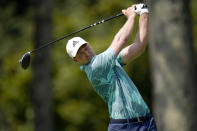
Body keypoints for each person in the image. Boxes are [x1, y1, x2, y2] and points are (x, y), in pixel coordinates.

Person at [66, 4, 157, 131]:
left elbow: (139, 46)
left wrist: (143, 13)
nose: (86, 53)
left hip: (147, 123)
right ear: (76, 60)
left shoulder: (110, 62)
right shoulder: (96, 67)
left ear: (89, 45)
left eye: (85, 48)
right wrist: (131, 16)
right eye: (80, 53)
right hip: (124, 126)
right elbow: (122, 39)